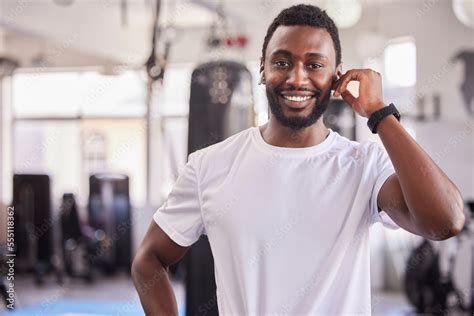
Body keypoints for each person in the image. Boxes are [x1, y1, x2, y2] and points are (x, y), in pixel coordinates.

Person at [131, 4, 465, 315]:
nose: (297, 78)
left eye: (315, 65)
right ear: (262, 70)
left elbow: (446, 221)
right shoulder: (209, 166)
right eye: (282, 62)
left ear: (337, 77)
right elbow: (149, 260)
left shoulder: (365, 165)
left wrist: (380, 114)